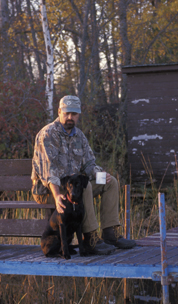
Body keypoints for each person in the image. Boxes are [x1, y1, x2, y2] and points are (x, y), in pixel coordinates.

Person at [31, 95, 137, 255]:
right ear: (59, 111)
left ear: (78, 114)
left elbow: (88, 164)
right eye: (66, 113)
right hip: (48, 190)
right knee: (84, 189)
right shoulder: (48, 134)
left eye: (73, 114)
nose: (69, 117)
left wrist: (98, 173)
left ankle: (110, 234)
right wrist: (57, 194)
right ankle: (90, 238)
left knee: (111, 182)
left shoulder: (79, 136)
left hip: (72, 186)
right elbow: (49, 170)